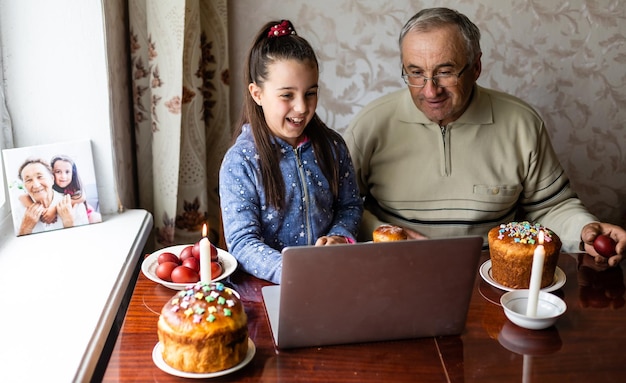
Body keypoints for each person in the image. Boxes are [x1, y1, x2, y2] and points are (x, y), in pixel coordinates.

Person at [343, 7, 625, 267]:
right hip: (394, 269)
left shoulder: (522, 123)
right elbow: (339, 206)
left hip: (491, 275)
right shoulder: (371, 124)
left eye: (445, 72)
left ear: (476, 67)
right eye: (416, 73)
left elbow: (552, 207)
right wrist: (382, 233)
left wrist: (586, 229)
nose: (430, 91)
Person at [219, 20, 363, 284]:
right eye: (287, 95)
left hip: (333, 279)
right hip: (270, 288)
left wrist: (340, 237)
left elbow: (350, 206)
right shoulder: (241, 162)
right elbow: (242, 242)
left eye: (310, 93)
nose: (301, 107)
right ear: (257, 93)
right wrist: (295, 271)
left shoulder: (333, 147)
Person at [13, 158, 89, 235]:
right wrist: (25, 228)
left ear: (52, 179)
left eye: (40, 177)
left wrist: (69, 223)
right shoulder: (18, 211)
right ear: (24, 186)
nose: (36, 185)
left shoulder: (75, 207)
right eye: (28, 180)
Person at [18, 155, 102, 224]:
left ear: (73, 174)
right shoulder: (48, 187)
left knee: (96, 218)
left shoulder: (74, 188)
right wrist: (42, 212)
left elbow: (82, 197)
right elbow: (22, 197)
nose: (63, 176)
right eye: (58, 172)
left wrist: (54, 209)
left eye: (67, 172)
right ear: (51, 175)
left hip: (87, 212)